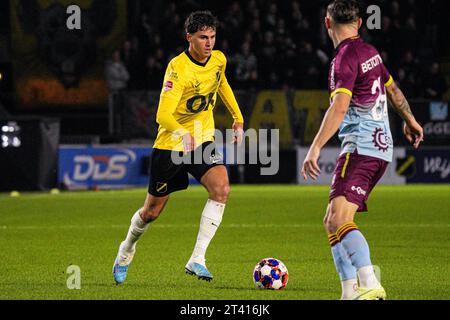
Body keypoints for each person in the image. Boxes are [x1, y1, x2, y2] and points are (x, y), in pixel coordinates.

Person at [301, 0, 424, 300]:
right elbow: (393, 90)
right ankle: (349, 291)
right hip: (381, 149)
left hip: (361, 148)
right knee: (331, 219)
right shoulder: (371, 53)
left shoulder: (343, 60)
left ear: (327, 24)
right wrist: (410, 119)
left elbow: (339, 106)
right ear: (359, 23)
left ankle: (370, 284)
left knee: (341, 219)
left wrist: (315, 147)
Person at [112, 11, 244, 284]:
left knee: (221, 189)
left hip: (202, 139)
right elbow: (162, 115)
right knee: (151, 212)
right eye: (203, 38)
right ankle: (126, 249)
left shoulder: (219, 60)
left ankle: (197, 259)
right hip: (171, 145)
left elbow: (222, 85)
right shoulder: (177, 68)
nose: (209, 43)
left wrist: (237, 118)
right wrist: (182, 132)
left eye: (212, 37)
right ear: (189, 38)